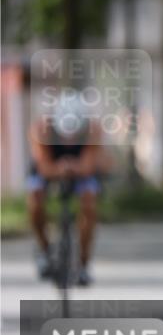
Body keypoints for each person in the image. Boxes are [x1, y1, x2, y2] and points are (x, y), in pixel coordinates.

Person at [27, 95, 103, 286]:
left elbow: (88, 165)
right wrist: (59, 169)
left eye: (74, 135)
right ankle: (45, 250)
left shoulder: (93, 129)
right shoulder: (41, 129)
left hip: (79, 170)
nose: (69, 140)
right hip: (49, 167)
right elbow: (43, 166)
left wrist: (72, 168)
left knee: (89, 203)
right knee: (35, 200)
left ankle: (83, 264)